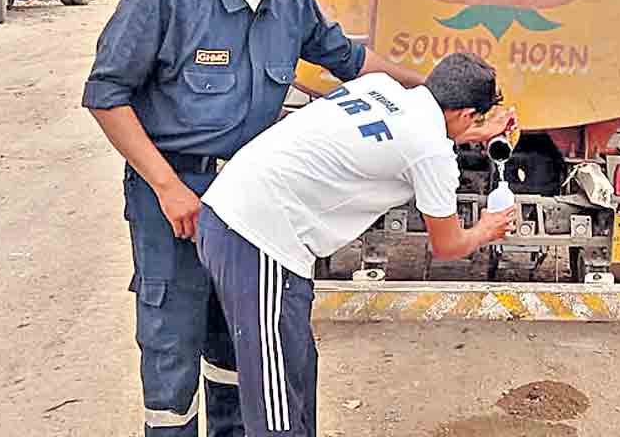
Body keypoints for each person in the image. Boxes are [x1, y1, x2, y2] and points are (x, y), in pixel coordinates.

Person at [82, 0, 424, 436]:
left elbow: (352, 63)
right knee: (172, 345)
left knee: (238, 345)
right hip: (175, 194)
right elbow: (106, 95)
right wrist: (169, 188)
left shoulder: (292, 6)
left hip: (251, 201)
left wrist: (432, 94)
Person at [195, 52, 518, 436]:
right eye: (478, 119)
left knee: (254, 374)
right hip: (260, 239)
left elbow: (404, 137)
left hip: (224, 212)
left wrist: (471, 132)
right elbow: (448, 244)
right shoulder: (431, 150)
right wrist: (487, 228)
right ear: (465, 113)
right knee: (278, 402)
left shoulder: (380, 88)